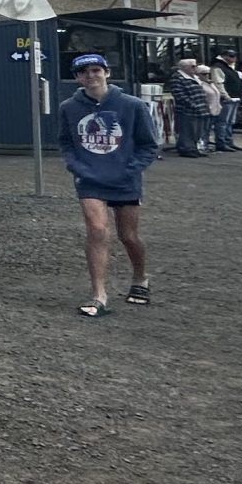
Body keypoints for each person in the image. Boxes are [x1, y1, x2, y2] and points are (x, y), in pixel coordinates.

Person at [60, 52, 159, 317]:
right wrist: (77, 166)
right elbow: (66, 141)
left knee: (128, 235)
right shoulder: (69, 107)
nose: (90, 76)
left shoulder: (132, 105)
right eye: (84, 72)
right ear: (77, 77)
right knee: (97, 230)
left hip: (125, 179)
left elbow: (149, 145)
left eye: (96, 70)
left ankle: (140, 277)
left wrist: (130, 170)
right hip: (89, 179)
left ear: (107, 73)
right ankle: (99, 295)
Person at [211, 57, 242, 150]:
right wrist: (225, 95)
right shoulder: (218, 67)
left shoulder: (228, 67)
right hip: (227, 98)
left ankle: (228, 141)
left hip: (234, 97)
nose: (234, 58)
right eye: (231, 56)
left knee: (229, 122)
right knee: (223, 122)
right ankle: (222, 142)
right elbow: (218, 83)